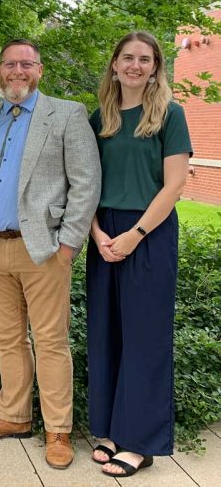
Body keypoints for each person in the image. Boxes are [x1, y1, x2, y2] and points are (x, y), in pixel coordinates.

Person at [0, 39, 101, 469]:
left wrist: (69, 243)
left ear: (39, 70)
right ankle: (13, 417)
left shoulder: (67, 114)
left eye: (26, 64)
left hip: (44, 250)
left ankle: (58, 430)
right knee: (7, 340)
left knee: (52, 341)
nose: (17, 71)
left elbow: (86, 182)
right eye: (9, 64)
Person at [87, 31, 191, 478]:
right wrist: (95, 233)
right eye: (126, 57)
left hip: (148, 232)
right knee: (107, 331)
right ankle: (112, 429)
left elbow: (175, 185)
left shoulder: (170, 114)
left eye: (144, 59)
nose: (134, 65)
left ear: (155, 67)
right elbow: (85, 183)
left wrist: (135, 233)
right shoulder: (100, 118)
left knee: (145, 337)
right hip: (103, 232)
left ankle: (141, 442)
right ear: (114, 64)